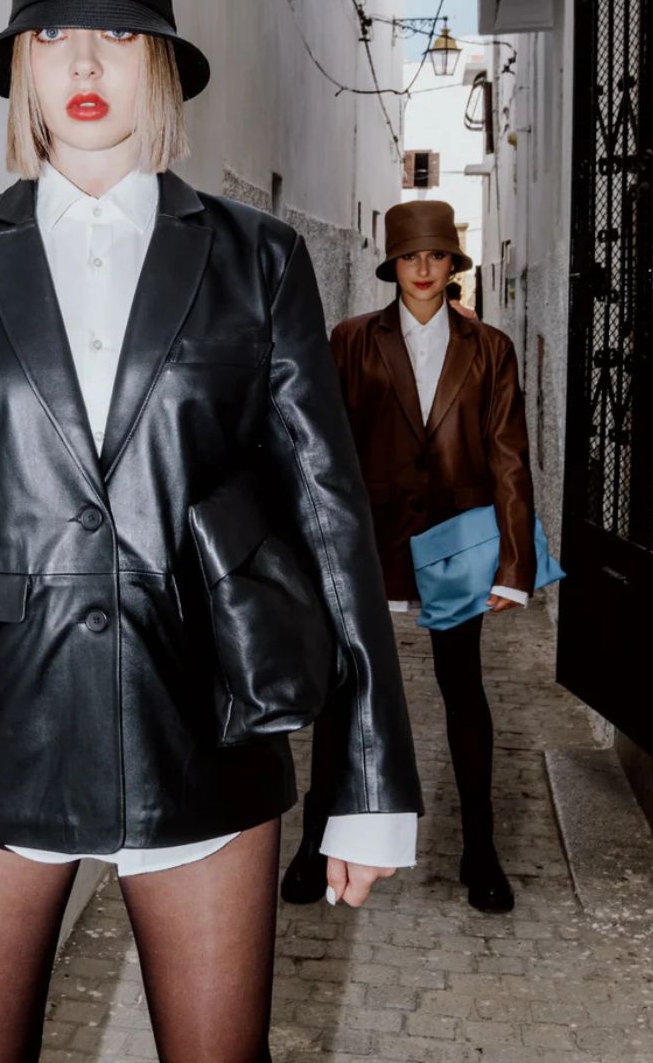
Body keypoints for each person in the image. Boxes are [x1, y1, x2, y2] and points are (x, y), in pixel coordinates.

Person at [0, 0, 423, 1061]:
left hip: (201, 723)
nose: (81, 60)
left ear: (157, 61)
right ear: (20, 62)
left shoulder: (258, 261)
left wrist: (367, 773)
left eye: (115, 34)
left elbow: (329, 511)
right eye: (53, 31)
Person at [282, 200, 534, 915]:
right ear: (392, 265)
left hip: (459, 537)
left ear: (454, 264)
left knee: (463, 691)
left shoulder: (491, 348)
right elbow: (320, 449)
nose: (424, 268)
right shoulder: (351, 340)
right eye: (411, 256)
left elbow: (509, 460)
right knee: (341, 694)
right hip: (369, 536)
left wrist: (514, 567)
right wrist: (314, 548)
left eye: (437, 255)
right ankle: (314, 841)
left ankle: (480, 848)